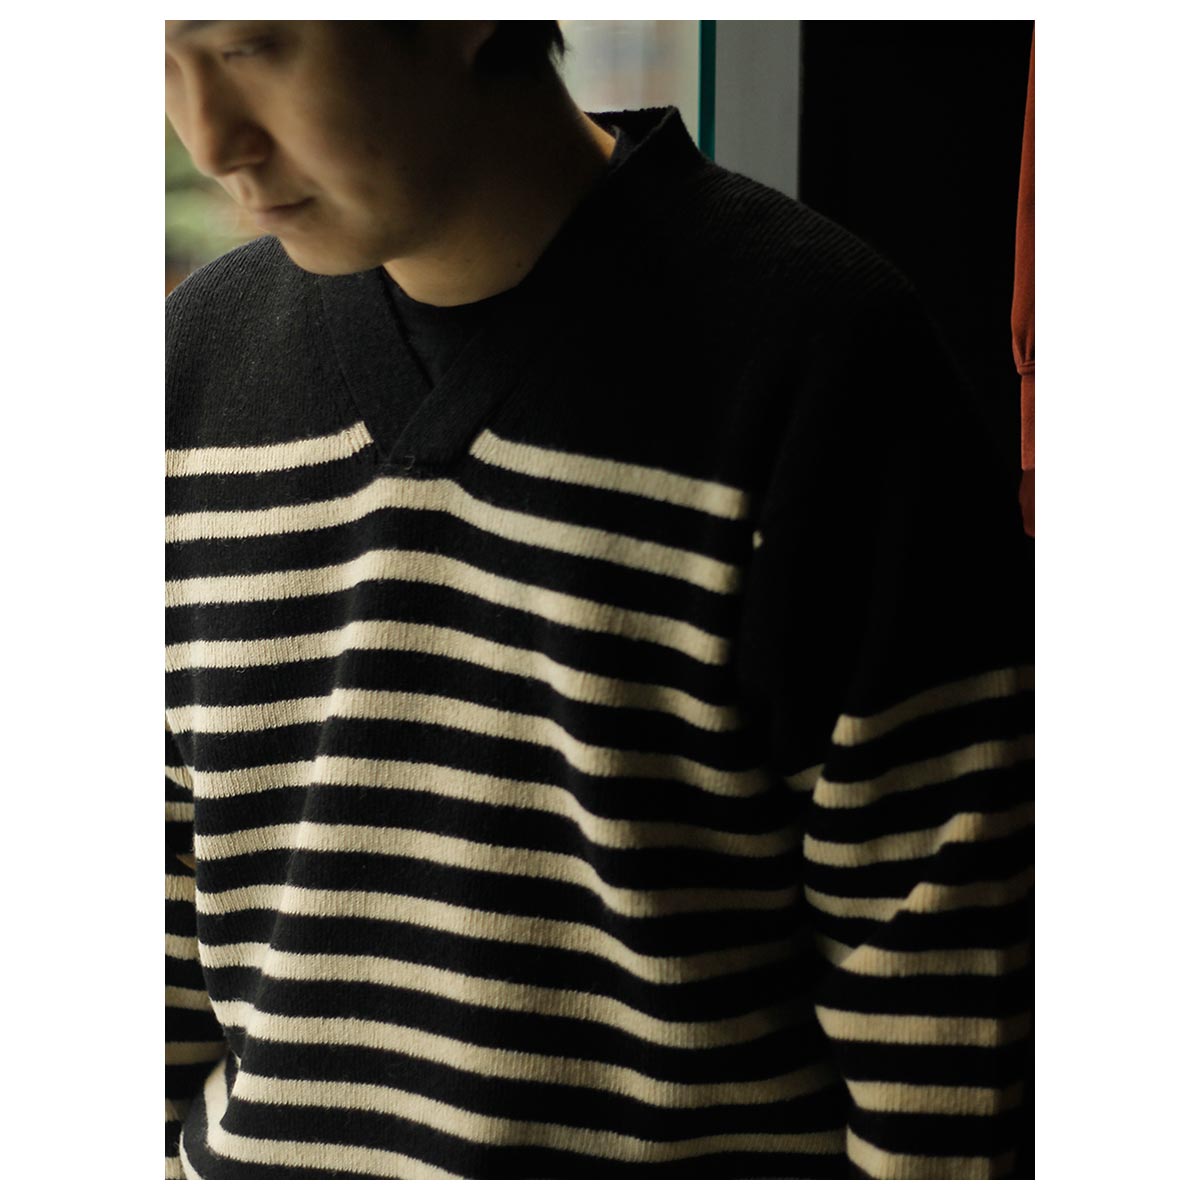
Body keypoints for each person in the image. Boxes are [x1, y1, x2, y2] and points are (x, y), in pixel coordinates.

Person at [165, 20, 1033, 1180]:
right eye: (158, 59)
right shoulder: (188, 366)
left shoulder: (825, 362)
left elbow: (937, 999)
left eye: (247, 48)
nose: (208, 138)